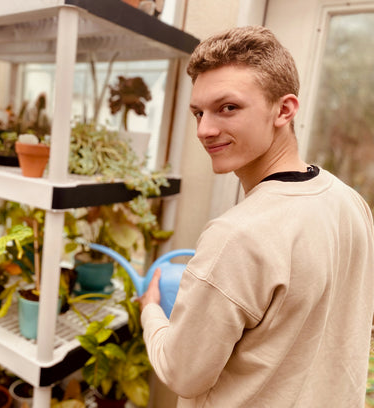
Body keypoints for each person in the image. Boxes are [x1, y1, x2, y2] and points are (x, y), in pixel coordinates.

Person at [138, 25, 374, 407]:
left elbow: (183, 374)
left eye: (227, 108)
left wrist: (150, 312)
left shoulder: (237, 236)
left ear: (284, 109)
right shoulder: (349, 202)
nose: (204, 129)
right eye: (198, 112)